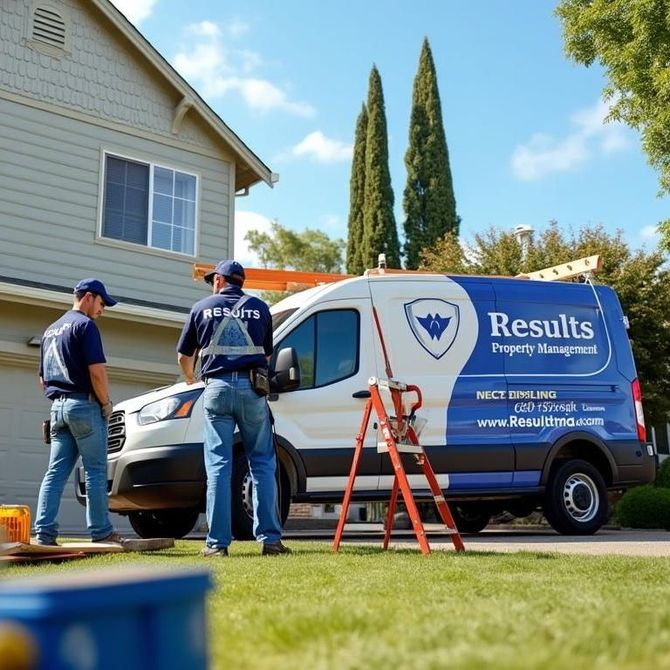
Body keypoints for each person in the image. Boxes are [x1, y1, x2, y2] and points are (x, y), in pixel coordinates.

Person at [177, 260, 290, 557]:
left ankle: (217, 545)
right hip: (253, 391)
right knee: (263, 464)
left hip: (216, 389)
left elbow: (183, 357)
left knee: (218, 467)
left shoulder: (201, 308)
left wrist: (191, 377)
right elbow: (266, 356)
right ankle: (270, 541)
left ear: (220, 281)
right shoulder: (261, 308)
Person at [33, 278, 124, 546]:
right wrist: (106, 403)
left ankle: (44, 533)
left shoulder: (51, 330)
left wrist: (62, 399)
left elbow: (42, 379)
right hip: (84, 407)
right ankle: (102, 532)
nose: (103, 309)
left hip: (58, 408)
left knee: (55, 472)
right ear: (88, 297)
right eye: (101, 302)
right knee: (95, 470)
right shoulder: (85, 326)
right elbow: (97, 372)